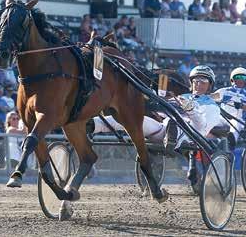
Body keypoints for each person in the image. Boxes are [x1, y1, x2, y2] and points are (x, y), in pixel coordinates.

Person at [87, 66, 221, 187]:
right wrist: (154, 100)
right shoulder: (182, 97)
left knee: (173, 123)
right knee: (134, 119)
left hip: (190, 135)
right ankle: (92, 125)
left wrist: (190, 109)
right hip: (164, 129)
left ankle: (171, 140)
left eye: (202, 81)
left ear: (210, 85)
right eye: (195, 80)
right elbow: (162, 113)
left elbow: (202, 127)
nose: (198, 83)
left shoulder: (212, 105)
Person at [213, 67, 246, 148]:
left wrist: (242, 106)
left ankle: (231, 142)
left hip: (237, 119)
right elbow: (211, 98)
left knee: (236, 123)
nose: (240, 79)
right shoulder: (224, 91)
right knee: (209, 119)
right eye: (237, 77)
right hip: (222, 117)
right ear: (232, 80)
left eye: (243, 77)